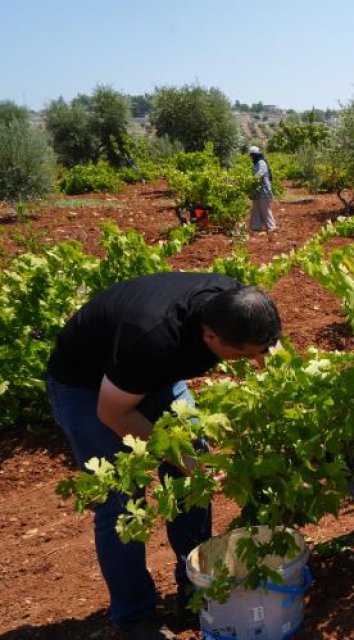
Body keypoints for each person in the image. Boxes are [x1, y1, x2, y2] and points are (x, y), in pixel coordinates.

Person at [45, 272, 281, 639]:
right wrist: (184, 459)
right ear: (211, 338)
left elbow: (267, 347)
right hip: (89, 389)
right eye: (245, 355)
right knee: (120, 502)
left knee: (194, 483)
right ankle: (135, 618)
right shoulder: (153, 339)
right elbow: (114, 413)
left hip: (149, 377)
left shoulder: (239, 304)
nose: (253, 360)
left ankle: (195, 585)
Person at [247, 146, 276, 233]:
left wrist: (250, 179)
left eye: (252, 155)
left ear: (255, 154)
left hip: (263, 190)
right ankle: (256, 227)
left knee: (264, 209)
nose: (251, 157)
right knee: (255, 208)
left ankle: (271, 227)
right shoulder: (256, 163)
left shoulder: (261, 163)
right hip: (257, 190)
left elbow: (260, 174)